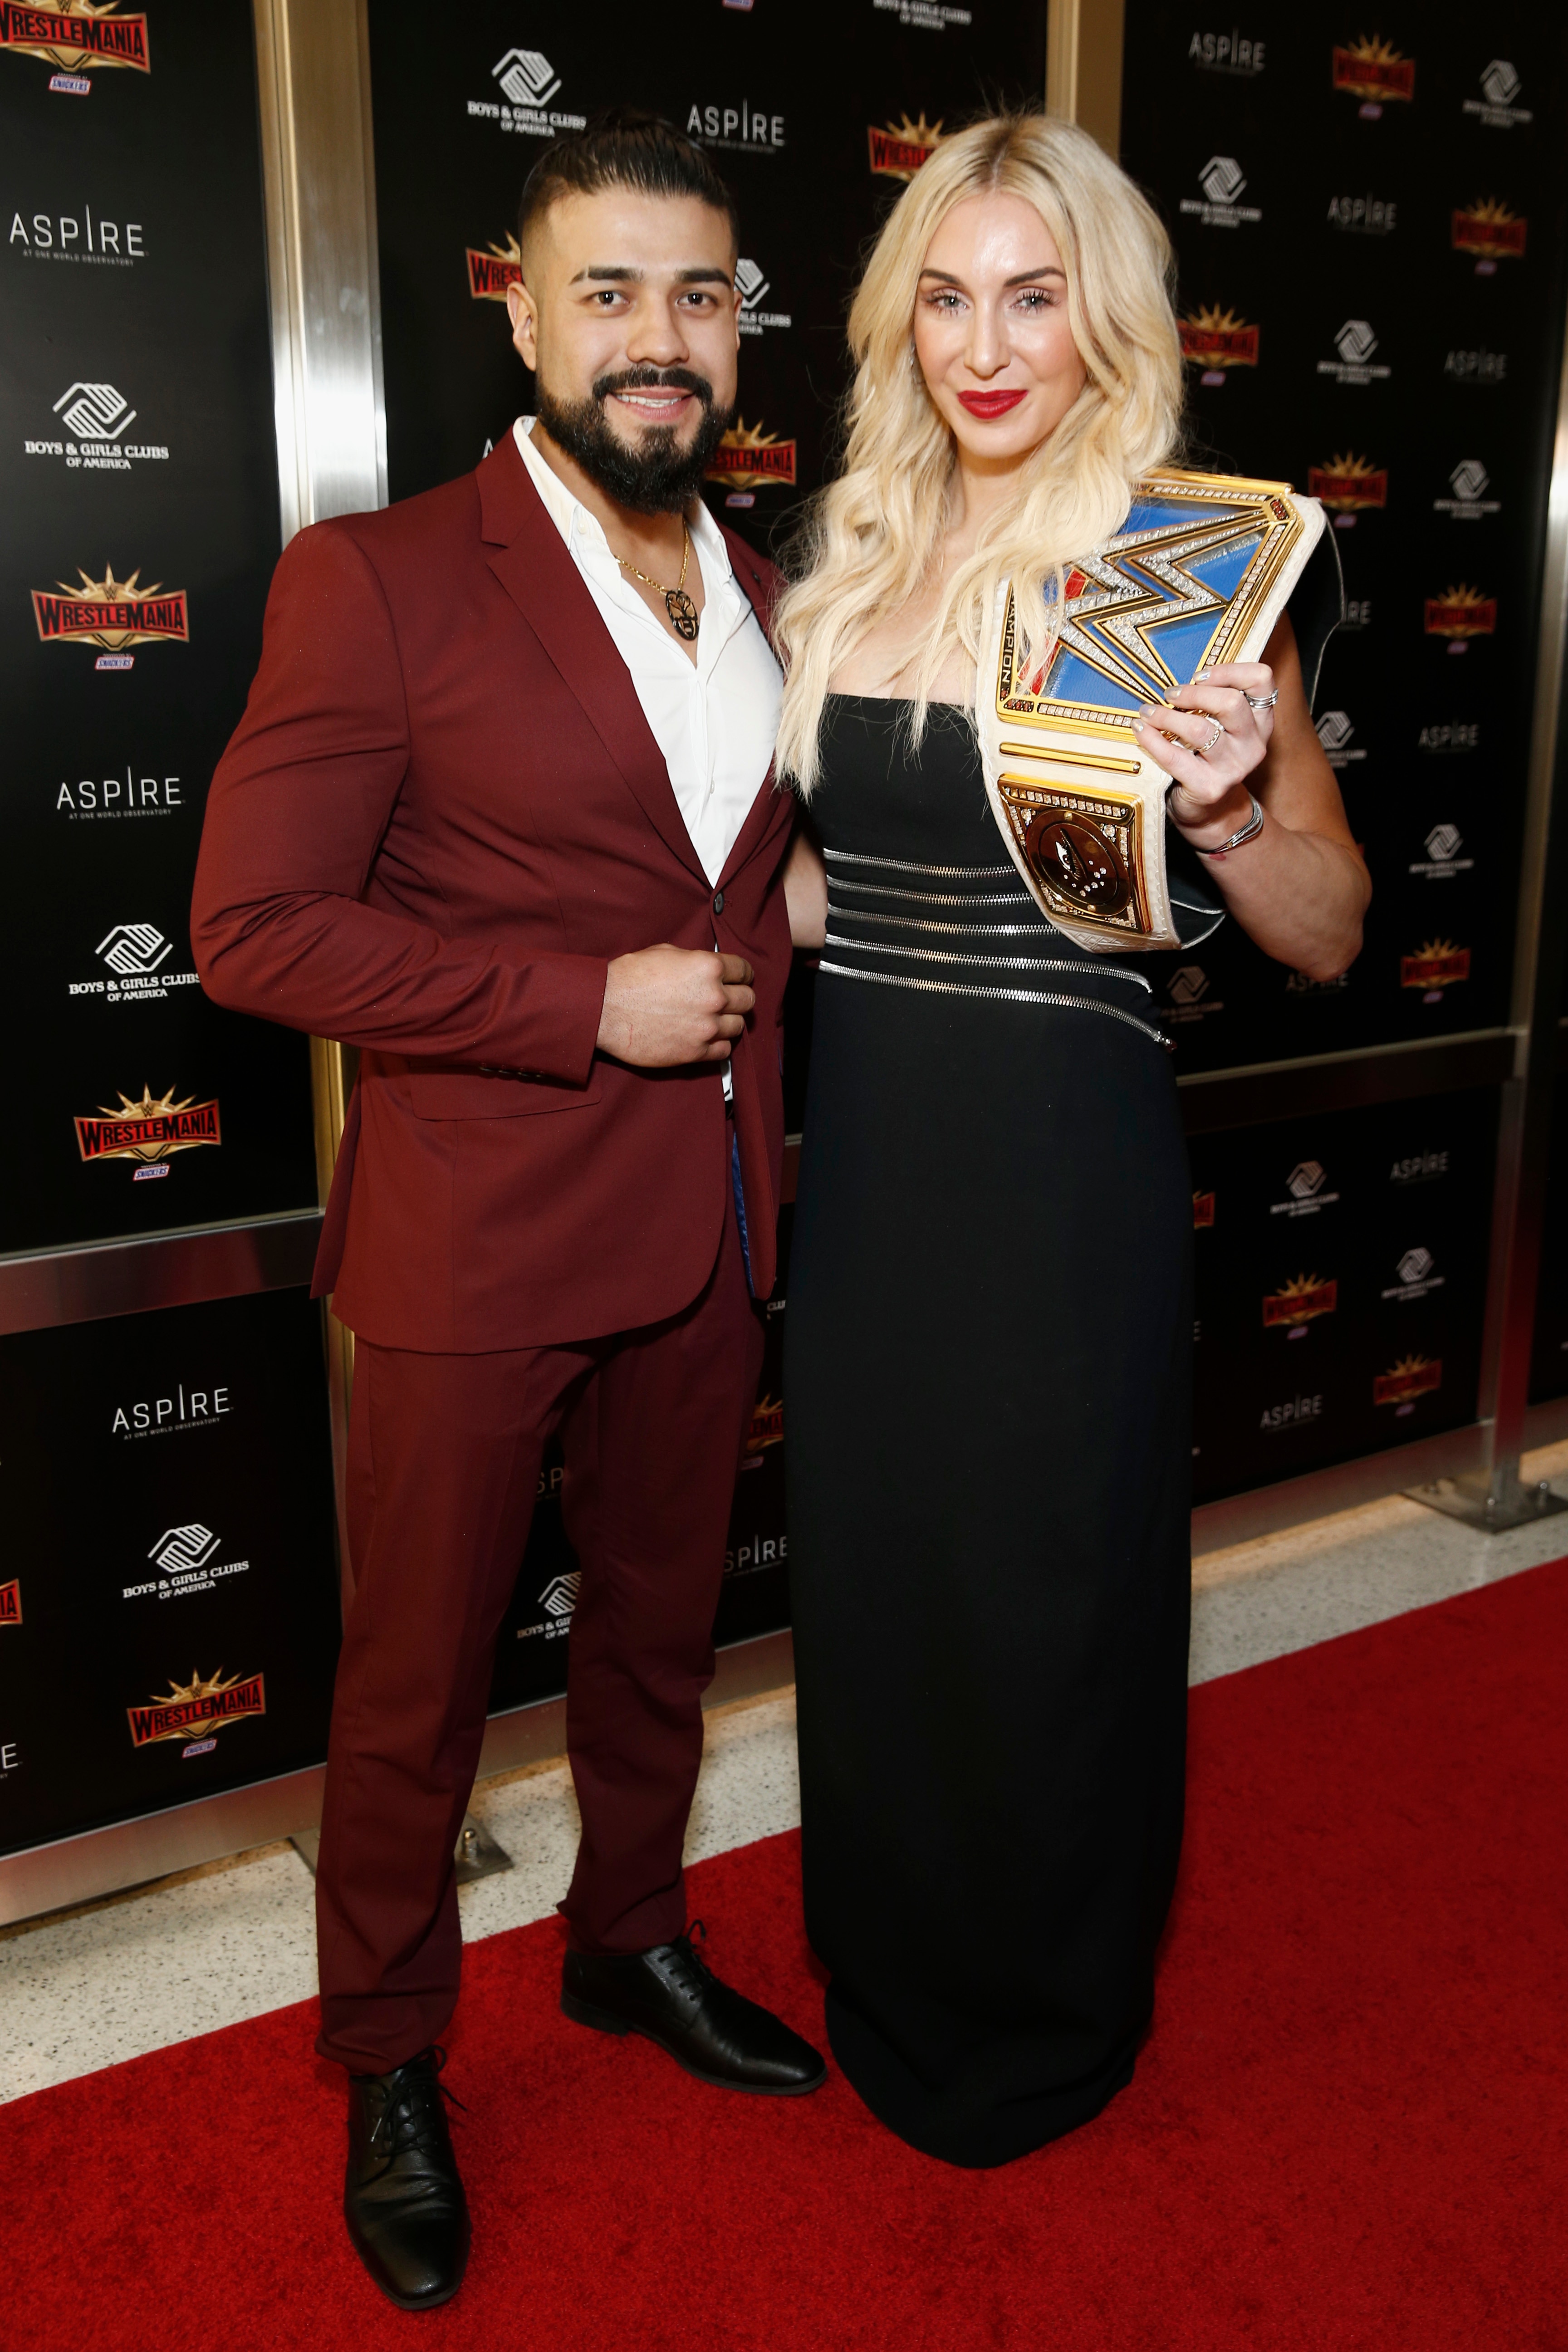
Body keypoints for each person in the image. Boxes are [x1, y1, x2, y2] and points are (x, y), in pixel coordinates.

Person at [191, 110, 823, 2314]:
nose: (664, 340)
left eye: (704, 296)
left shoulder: (767, 581)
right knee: (416, 1691)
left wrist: (801, 907)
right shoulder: (374, 578)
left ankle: (628, 1941)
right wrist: (582, 1006)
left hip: (714, 1229)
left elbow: (731, 866)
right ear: (527, 313)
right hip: (476, 1239)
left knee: (663, 1638)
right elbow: (252, 934)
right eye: (615, 292)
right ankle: (386, 2057)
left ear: (742, 329)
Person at [774, 113, 1370, 2169]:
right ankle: (886, 1962)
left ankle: (1041, 2018)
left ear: (1105, 313)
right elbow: (825, 894)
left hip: (1059, 1185)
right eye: (945, 296)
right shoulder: (849, 546)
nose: (985, 343)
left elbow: (1327, 921)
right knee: (881, 1583)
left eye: (1033, 295)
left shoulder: (1181, 567)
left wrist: (1224, 812)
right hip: (871, 1174)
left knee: (1046, 1606)